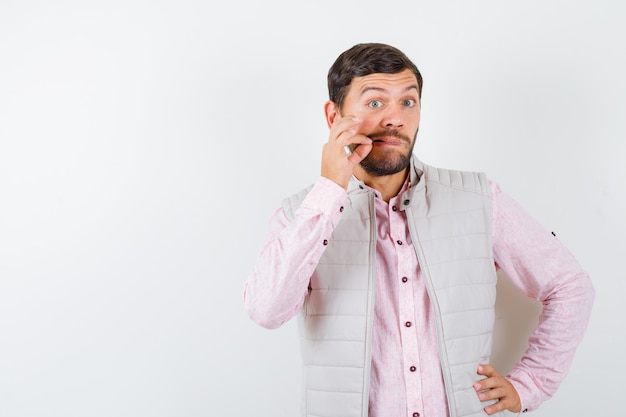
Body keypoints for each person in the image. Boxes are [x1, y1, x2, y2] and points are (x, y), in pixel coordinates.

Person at [243, 43, 594, 417]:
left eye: (408, 102)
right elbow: (266, 310)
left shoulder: (478, 199)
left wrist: (532, 384)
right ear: (334, 117)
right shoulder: (300, 213)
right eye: (376, 103)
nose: (395, 118)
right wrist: (329, 190)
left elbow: (570, 286)